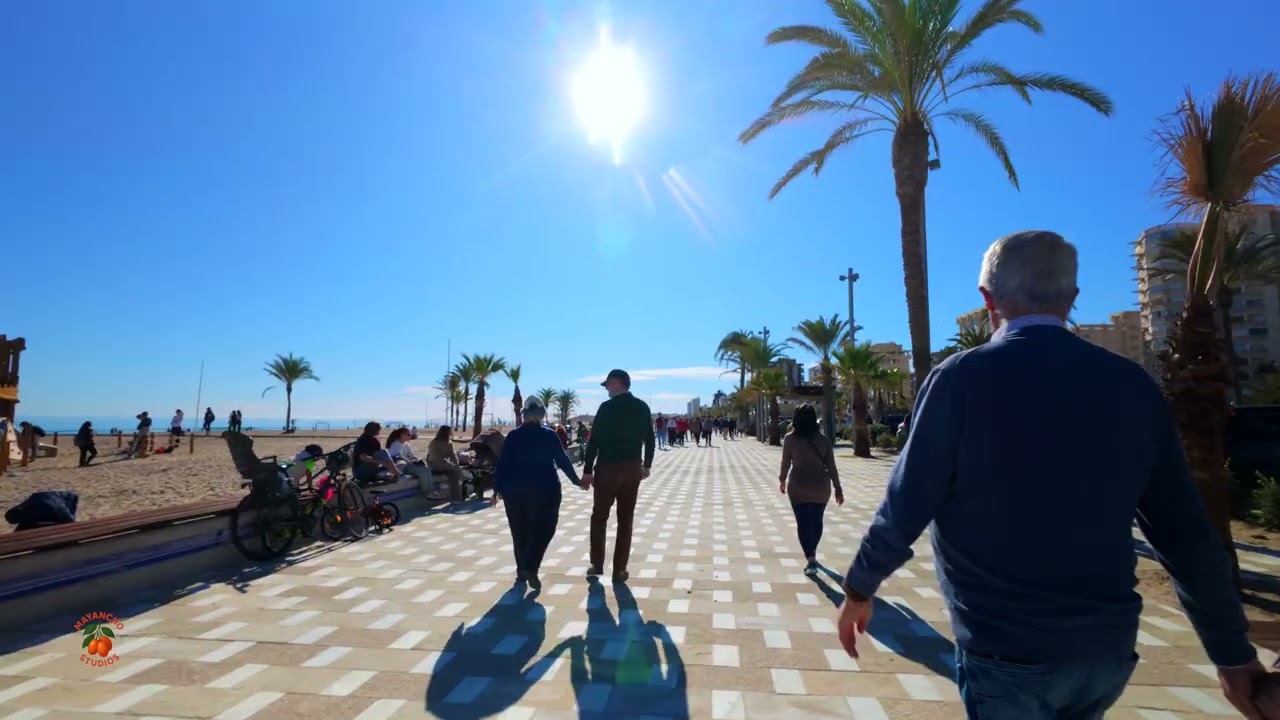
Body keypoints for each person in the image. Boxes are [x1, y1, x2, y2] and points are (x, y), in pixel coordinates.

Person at [835, 231, 1274, 720]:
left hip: (1004, 652)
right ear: (1072, 299)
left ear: (988, 301)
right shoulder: (1131, 384)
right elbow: (1185, 533)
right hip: (1105, 653)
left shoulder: (960, 380)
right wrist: (1231, 653)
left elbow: (906, 504)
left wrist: (859, 588)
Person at [493, 396, 588, 590]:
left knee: (519, 531)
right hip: (545, 490)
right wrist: (576, 481)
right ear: (542, 414)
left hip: (514, 491)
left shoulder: (513, 436)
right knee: (544, 528)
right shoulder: (549, 435)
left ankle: (522, 571)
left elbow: (502, 464)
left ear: (524, 414)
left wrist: (496, 489)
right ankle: (531, 567)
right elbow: (562, 460)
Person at [582, 369, 655, 583]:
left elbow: (594, 440)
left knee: (599, 516)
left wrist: (587, 470)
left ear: (617, 383)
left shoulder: (606, 408)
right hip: (632, 468)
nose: (606, 389)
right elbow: (650, 439)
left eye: (607, 385)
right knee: (626, 519)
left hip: (608, 469)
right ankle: (620, 569)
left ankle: (597, 564)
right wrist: (647, 466)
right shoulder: (641, 407)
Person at [779, 404, 842, 575]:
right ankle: (812, 551)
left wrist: (782, 479)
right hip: (821, 486)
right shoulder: (824, 440)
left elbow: (786, 462)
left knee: (803, 522)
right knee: (816, 521)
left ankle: (811, 558)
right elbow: (831, 466)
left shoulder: (790, 439)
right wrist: (838, 487)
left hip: (798, 485)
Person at [387, 427, 433, 493]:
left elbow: (412, 455)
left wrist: (418, 461)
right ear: (402, 435)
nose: (410, 436)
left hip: (410, 464)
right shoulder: (396, 444)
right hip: (402, 467)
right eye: (408, 434)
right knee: (422, 472)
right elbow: (397, 458)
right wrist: (410, 462)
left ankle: (429, 490)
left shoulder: (406, 445)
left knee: (427, 469)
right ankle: (426, 492)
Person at [427, 426, 466, 501]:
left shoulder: (433, 442)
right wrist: (457, 466)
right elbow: (453, 456)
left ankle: (440, 491)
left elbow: (429, 456)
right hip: (440, 465)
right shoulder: (448, 443)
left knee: (452, 471)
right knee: (454, 473)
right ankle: (456, 498)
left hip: (432, 465)